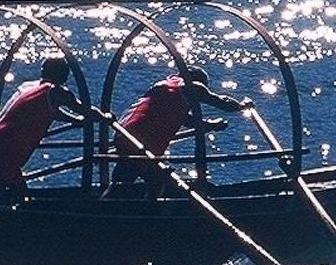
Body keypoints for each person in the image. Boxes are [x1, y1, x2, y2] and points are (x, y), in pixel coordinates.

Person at [106, 65, 253, 195]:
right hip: (140, 141)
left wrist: (209, 125)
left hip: (125, 134)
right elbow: (222, 102)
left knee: (124, 181)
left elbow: (186, 120)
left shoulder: (164, 87)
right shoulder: (190, 86)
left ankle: (113, 211)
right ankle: (145, 219)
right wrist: (242, 106)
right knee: (158, 181)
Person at [0, 56, 83, 201]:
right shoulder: (56, 91)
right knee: (19, 193)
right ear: (63, 74)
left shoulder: (27, 87)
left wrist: (74, 120)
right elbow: (83, 109)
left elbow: (50, 111)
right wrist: (104, 117)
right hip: (5, 147)